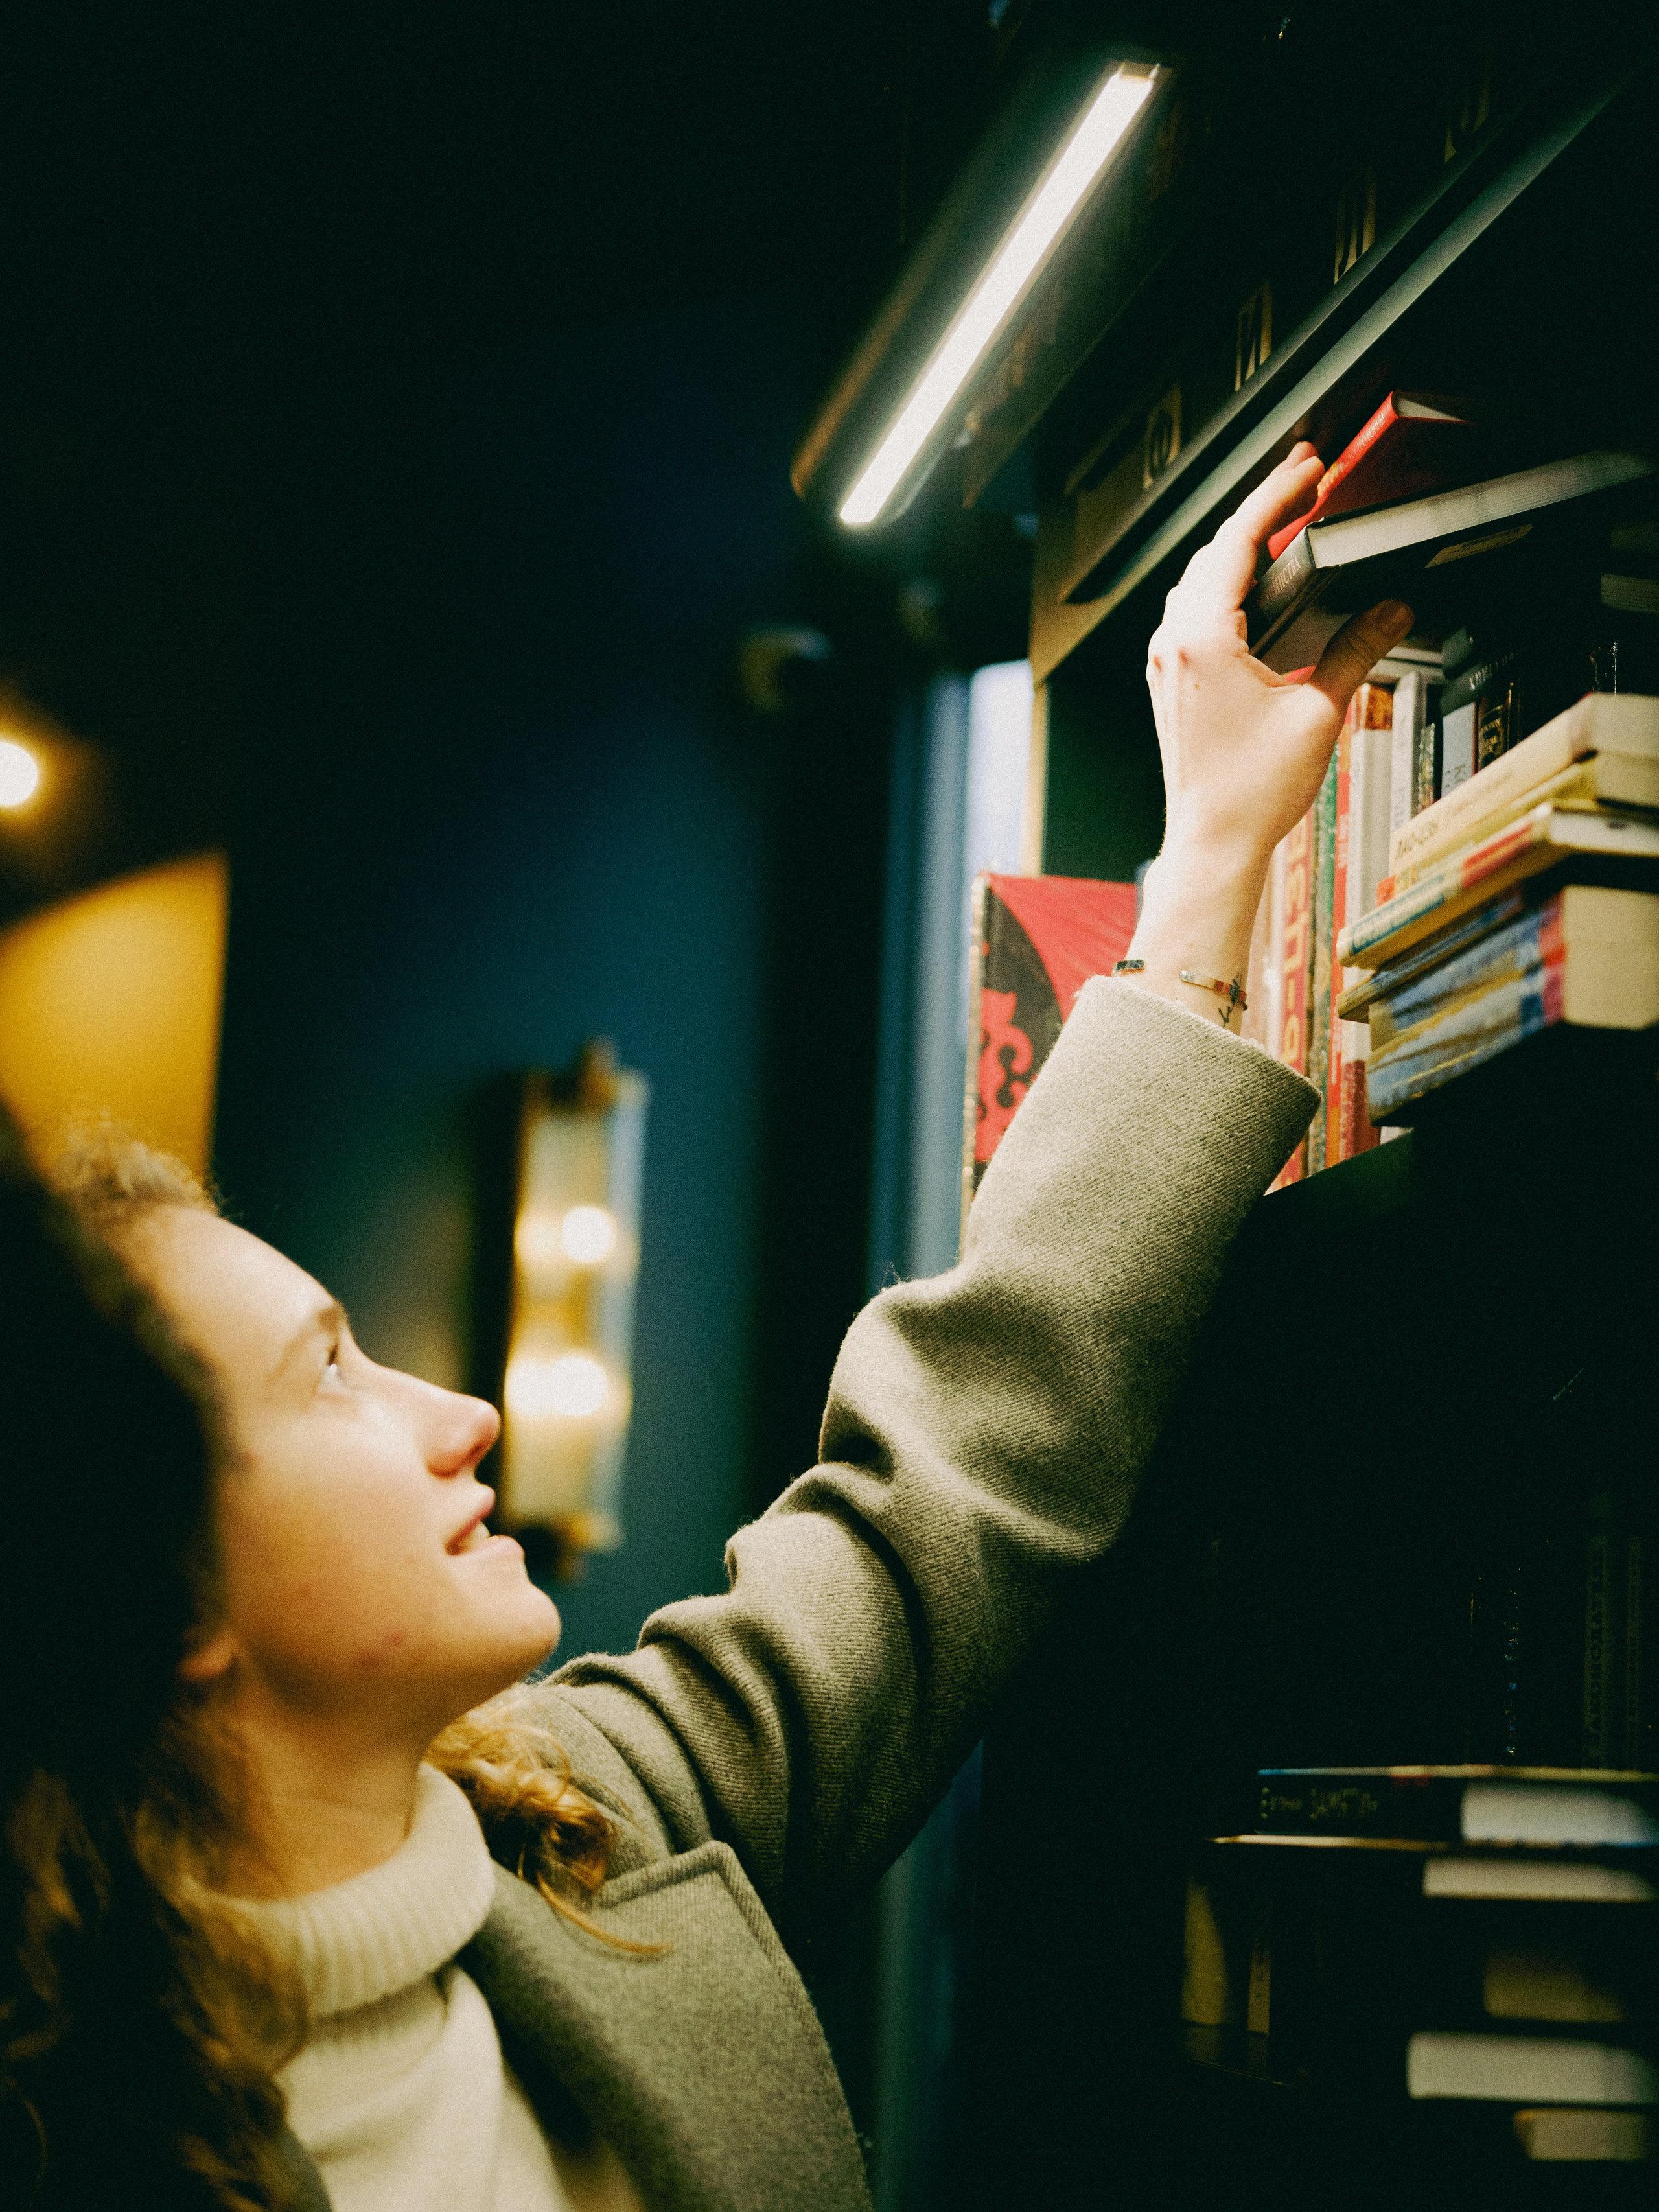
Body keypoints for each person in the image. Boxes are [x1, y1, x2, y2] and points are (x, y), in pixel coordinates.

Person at [1, 445, 1411, 2212]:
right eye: (331, 1377)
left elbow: (947, 1485)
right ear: (155, 1589)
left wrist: (1208, 861)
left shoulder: (587, 1822)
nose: (460, 1415)